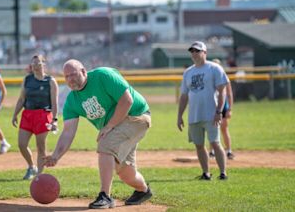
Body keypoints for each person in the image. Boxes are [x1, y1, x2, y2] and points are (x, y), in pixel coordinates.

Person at [44, 59, 153, 209]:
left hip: (136, 116)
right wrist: (56, 155)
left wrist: (109, 126)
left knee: (105, 145)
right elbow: (68, 132)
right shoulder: (72, 100)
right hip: (117, 127)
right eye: (67, 76)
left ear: (83, 71)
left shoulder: (103, 75)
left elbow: (127, 100)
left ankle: (105, 196)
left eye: (73, 74)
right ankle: (143, 190)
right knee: (124, 172)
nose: (70, 79)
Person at [177, 41, 229, 180]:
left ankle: (223, 173)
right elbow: (184, 96)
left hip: (211, 114)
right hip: (194, 115)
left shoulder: (214, 68)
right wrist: (179, 116)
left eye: (197, 51)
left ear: (205, 52)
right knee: (199, 145)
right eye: (192, 51)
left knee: (215, 143)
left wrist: (219, 112)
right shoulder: (188, 72)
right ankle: (206, 173)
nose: (194, 53)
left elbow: (222, 92)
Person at [12, 55, 59, 180]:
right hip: (27, 114)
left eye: (38, 63)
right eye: (33, 64)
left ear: (44, 64)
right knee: (22, 144)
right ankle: (31, 166)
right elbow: (22, 99)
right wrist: (15, 114)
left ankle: (39, 177)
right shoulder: (27, 79)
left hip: (43, 115)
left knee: (41, 147)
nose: (35, 66)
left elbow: (54, 103)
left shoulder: (50, 81)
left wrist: (54, 120)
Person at [209, 59, 235, 160]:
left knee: (224, 128)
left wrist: (230, 109)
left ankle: (228, 151)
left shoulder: (224, 77)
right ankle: (211, 151)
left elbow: (229, 94)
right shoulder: (209, 77)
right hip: (212, 105)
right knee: (212, 128)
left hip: (223, 106)